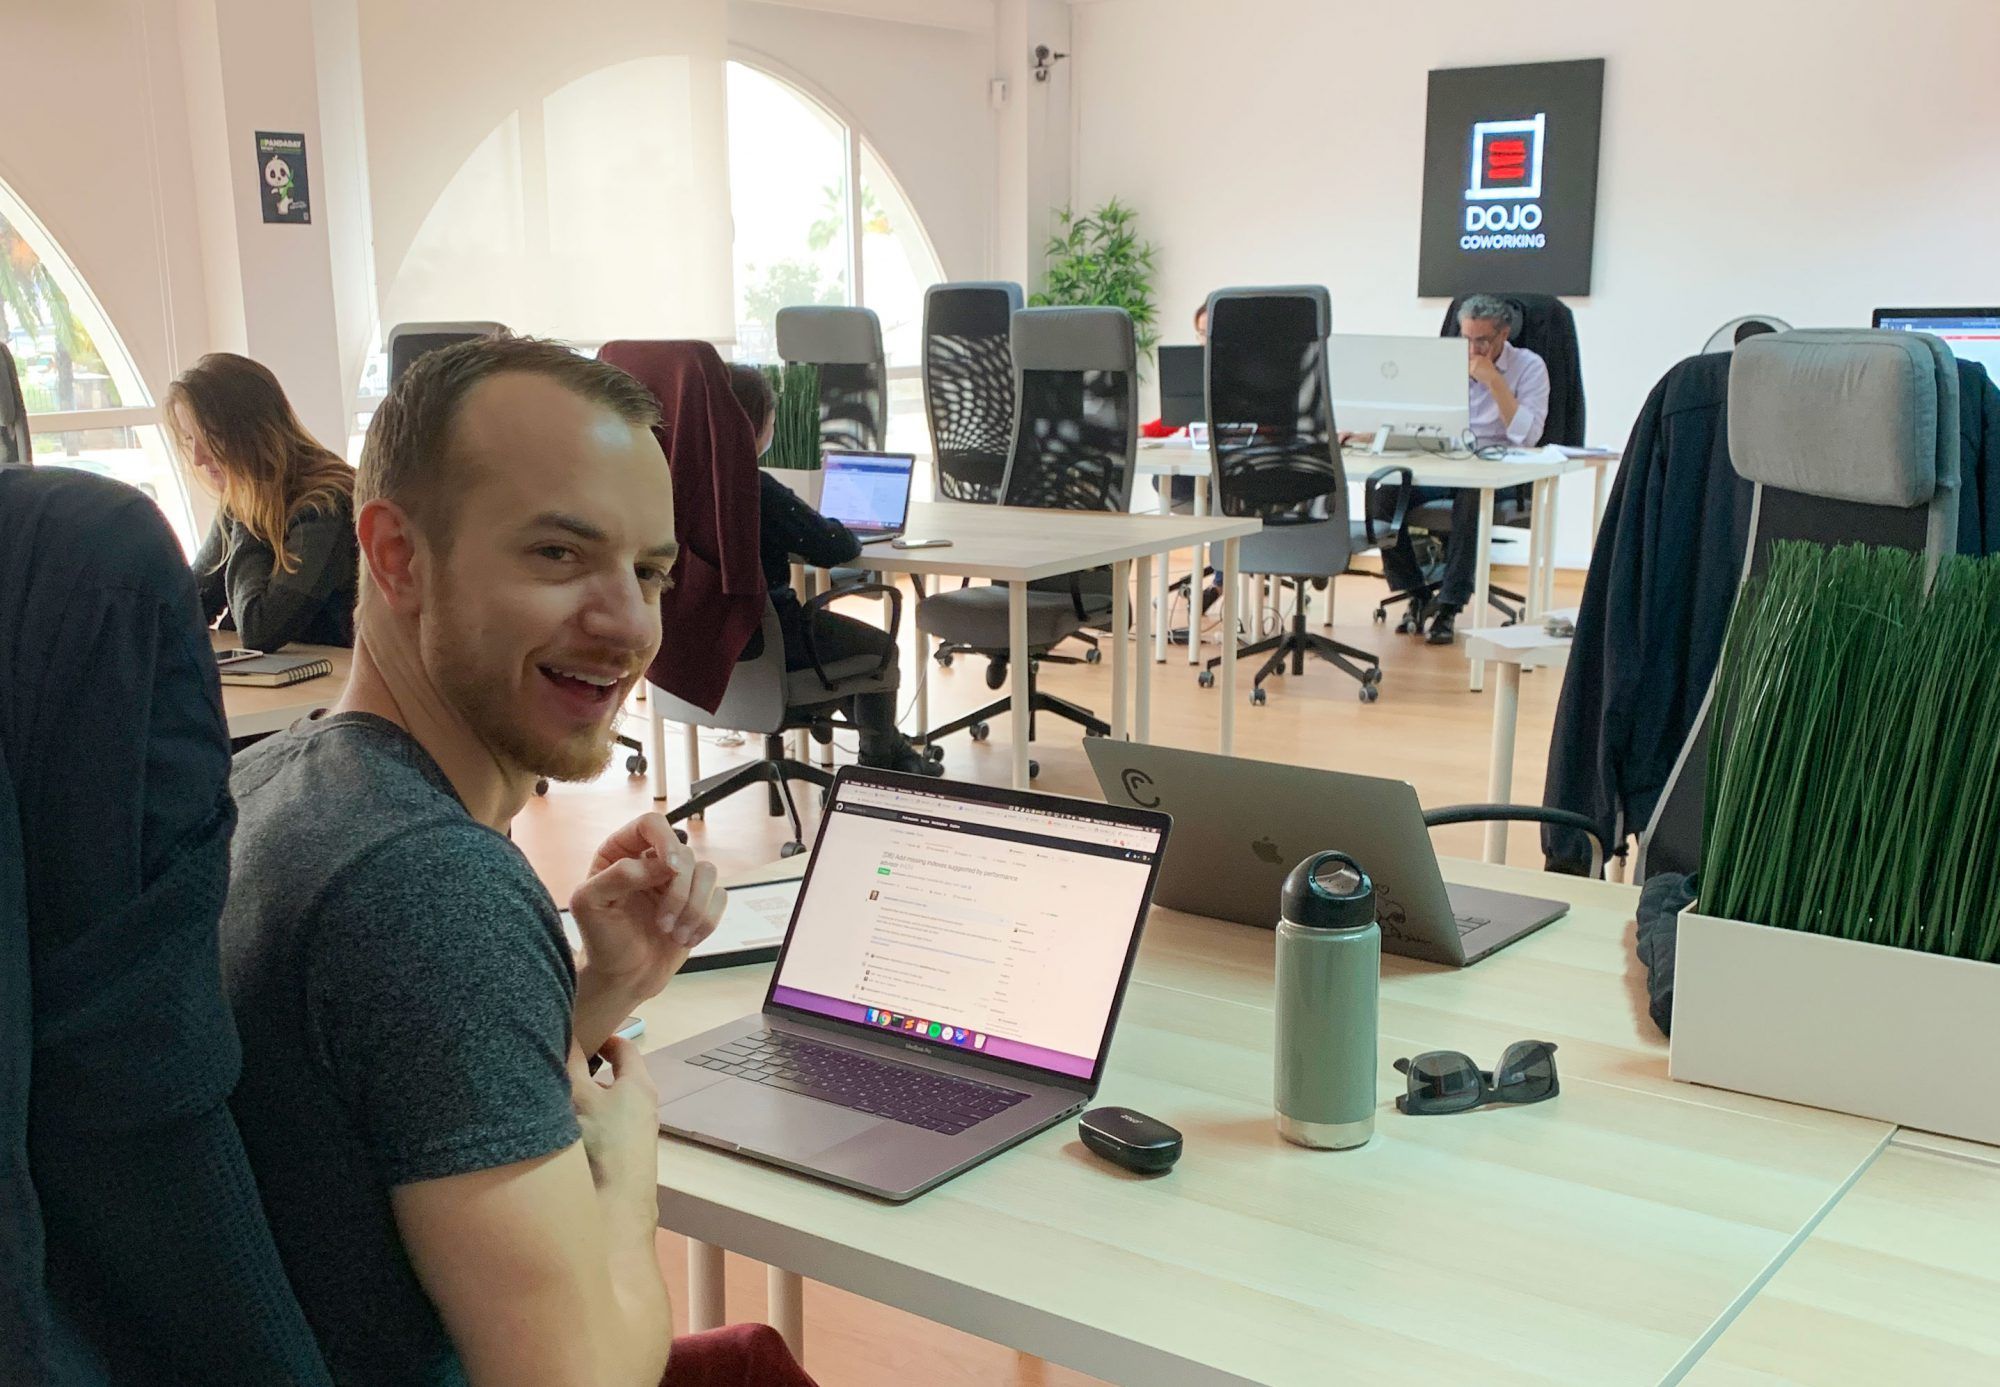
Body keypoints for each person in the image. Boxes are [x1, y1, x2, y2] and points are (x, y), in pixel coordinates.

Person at [216, 334, 818, 1387]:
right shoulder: (428, 884)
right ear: (397, 556)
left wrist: (599, 992)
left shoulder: (270, 782)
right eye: (558, 554)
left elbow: (366, 1120)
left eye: (650, 571)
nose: (629, 626)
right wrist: (628, 1184)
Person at [727, 363, 941, 776]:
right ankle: (877, 768)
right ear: (758, 425)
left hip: (713, 647)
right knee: (878, 650)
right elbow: (834, 547)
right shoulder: (755, 488)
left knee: (843, 649)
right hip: (773, 642)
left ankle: (896, 752)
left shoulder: (679, 487)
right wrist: (838, 524)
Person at [1375, 293, 1550, 645]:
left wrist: (1495, 381)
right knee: (1385, 495)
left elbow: (1528, 436)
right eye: (1465, 338)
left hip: (1500, 471)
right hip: (1448, 462)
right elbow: (1421, 419)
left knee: (1473, 496)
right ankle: (1416, 591)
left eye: (1481, 340)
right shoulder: (1445, 363)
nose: (1472, 349)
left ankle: (1449, 606)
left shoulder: (1530, 366)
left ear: (1504, 334)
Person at [170, 352, 360, 649]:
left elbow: (261, 628)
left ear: (251, 431)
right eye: (189, 439)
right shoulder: (241, 499)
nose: (198, 458)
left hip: (331, 677)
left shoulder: (326, 503)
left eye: (209, 436)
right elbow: (184, 610)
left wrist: (249, 514)